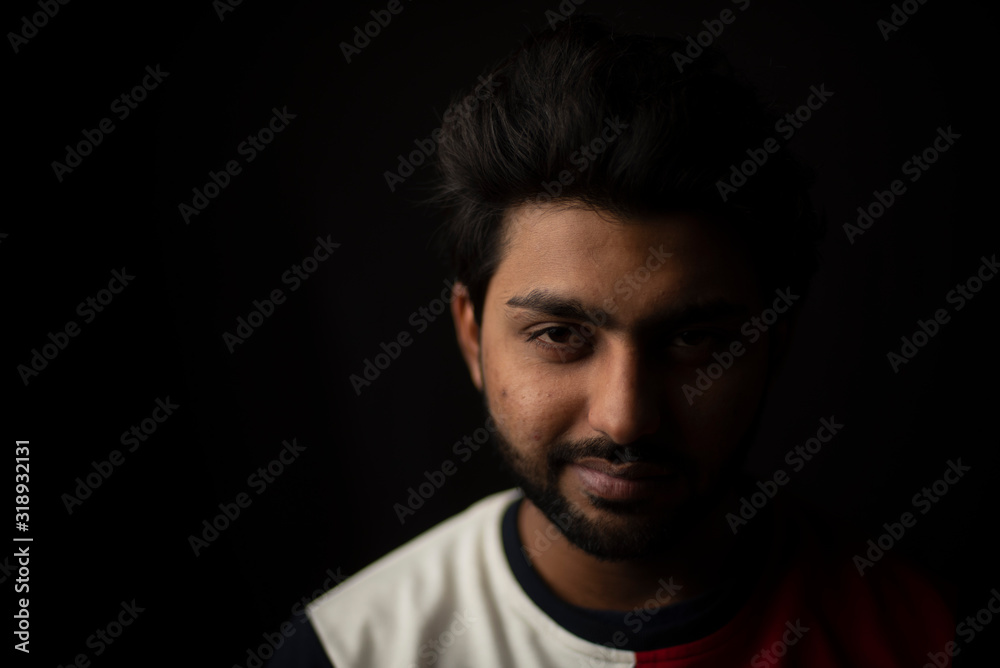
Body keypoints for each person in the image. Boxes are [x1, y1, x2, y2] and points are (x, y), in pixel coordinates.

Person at [268, 16, 954, 667]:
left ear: (776, 342)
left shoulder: (923, 633)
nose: (625, 416)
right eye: (560, 335)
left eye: (692, 339)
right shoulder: (347, 650)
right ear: (472, 336)